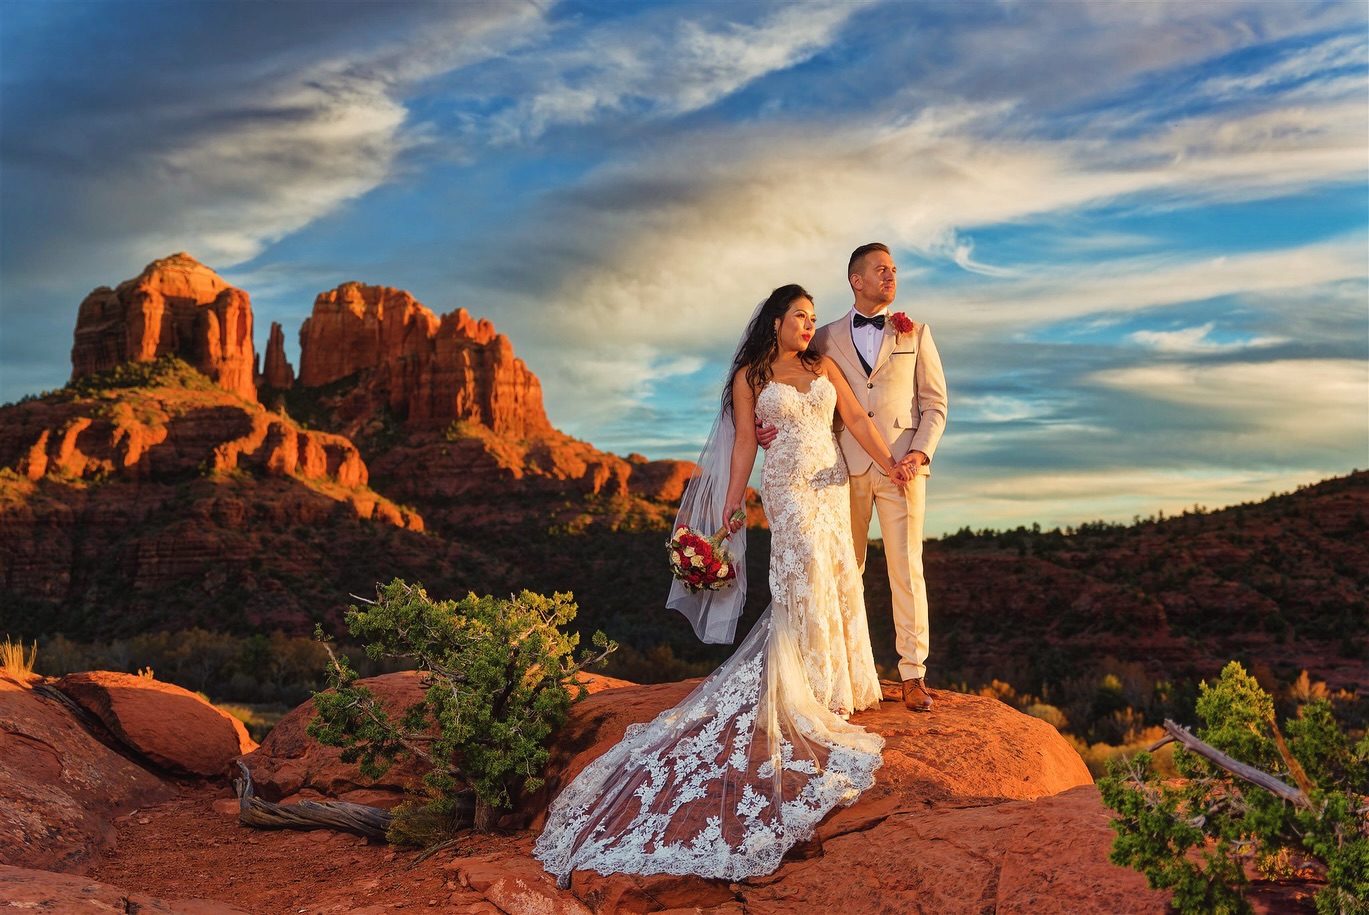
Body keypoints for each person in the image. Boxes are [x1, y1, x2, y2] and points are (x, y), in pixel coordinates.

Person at [534, 284, 911, 886]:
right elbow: (741, 446)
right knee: (807, 570)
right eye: (800, 317)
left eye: (814, 318)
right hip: (787, 490)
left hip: (830, 483)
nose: (809, 326)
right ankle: (809, 684)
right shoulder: (751, 379)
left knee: (840, 572)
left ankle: (840, 679)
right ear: (776, 321)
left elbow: (858, 417)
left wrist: (890, 459)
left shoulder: (822, 364)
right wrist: (732, 509)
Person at [774, 243, 947, 713]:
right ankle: (849, 671)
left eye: (893, 269)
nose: (891, 276)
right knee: (844, 570)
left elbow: (935, 405)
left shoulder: (917, 332)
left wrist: (917, 453)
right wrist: (778, 428)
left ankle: (913, 674)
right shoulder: (825, 337)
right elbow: (803, 393)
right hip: (840, 471)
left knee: (906, 569)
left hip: (902, 469)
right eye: (881, 269)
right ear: (857, 280)